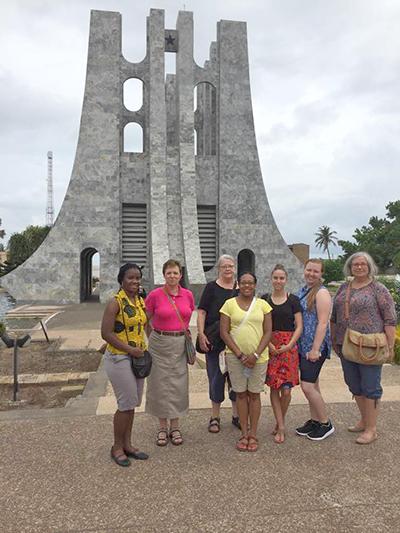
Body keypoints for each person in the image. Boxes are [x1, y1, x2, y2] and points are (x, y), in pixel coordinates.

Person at [331, 252, 396, 444]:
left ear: (369, 266)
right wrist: (334, 338)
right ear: (350, 267)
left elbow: (390, 319)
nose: (359, 267)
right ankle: (364, 419)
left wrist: (390, 346)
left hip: (369, 346)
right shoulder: (344, 287)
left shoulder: (378, 289)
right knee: (354, 384)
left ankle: (371, 429)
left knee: (370, 387)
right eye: (355, 264)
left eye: (362, 264)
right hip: (346, 344)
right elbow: (334, 316)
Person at [101, 263, 149, 467]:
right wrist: (130, 350)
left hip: (137, 358)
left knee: (132, 404)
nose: (135, 281)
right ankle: (116, 447)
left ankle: (128, 444)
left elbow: (145, 324)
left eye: (138, 278)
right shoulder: (115, 303)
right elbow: (106, 333)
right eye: (131, 278)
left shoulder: (139, 301)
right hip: (119, 358)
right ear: (121, 280)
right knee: (125, 403)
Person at [220, 272, 272, 452]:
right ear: (238, 284)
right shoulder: (229, 304)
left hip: (259, 358)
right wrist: (240, 355)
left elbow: (267, 332)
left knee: (255, 395)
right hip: (236, 358)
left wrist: (256, 355)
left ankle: (254, 433)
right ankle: (244, 432)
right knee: (241, 395)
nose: (247, 286)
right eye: (243, 283)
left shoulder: (263, 305)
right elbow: (224, 332)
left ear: (255, 285)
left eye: (250, 283)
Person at [145, 259, 195, 446]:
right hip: (159, 343)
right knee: (159, 384)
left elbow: (188, 315)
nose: (172, 276)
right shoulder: (155, 295)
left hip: (180, 342)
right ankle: (161, 426)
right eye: (169, 273)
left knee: (178, 384)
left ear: (180, 275)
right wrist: (153, 337)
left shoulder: (188, 295)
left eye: (175, 273)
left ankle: (175, 426)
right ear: (164, 275)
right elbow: (145, 320)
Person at [197, 254, 240, 433]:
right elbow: (201, 312)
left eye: (231, 266)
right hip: (215, 342)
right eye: (224, 266)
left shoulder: (241, 288)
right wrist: (201, 334)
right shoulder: (211, 288)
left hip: (236, 342)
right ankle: (215, 416)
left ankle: (237, 415)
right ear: (219, 269)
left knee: (236, 380)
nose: (228, 269)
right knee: (215, 378)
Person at [261, 264, 303, 444]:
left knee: (286, 391)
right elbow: (261, 325)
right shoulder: (264, 299)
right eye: (275, 278)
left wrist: (289, 345)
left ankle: (280, 422)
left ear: (286, 280)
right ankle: (281, 426)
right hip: (270, 346)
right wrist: (269, 344)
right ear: (271, 279)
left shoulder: (293, 299)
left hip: (289, 348)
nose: (278, 281)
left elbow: (299, 326)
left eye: (281, 278)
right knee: (274, 387)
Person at [296, 258, 335, 441]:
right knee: (314, 384)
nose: (311, 274)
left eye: (316, 271)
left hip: (314, 346)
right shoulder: (304, 290)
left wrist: (315, 349)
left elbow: (323, 322)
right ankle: (315, 420)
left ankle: (326, 423)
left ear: (321, 274)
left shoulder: (321, 293)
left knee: (307, 386)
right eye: (309, 270)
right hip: (303, 345)